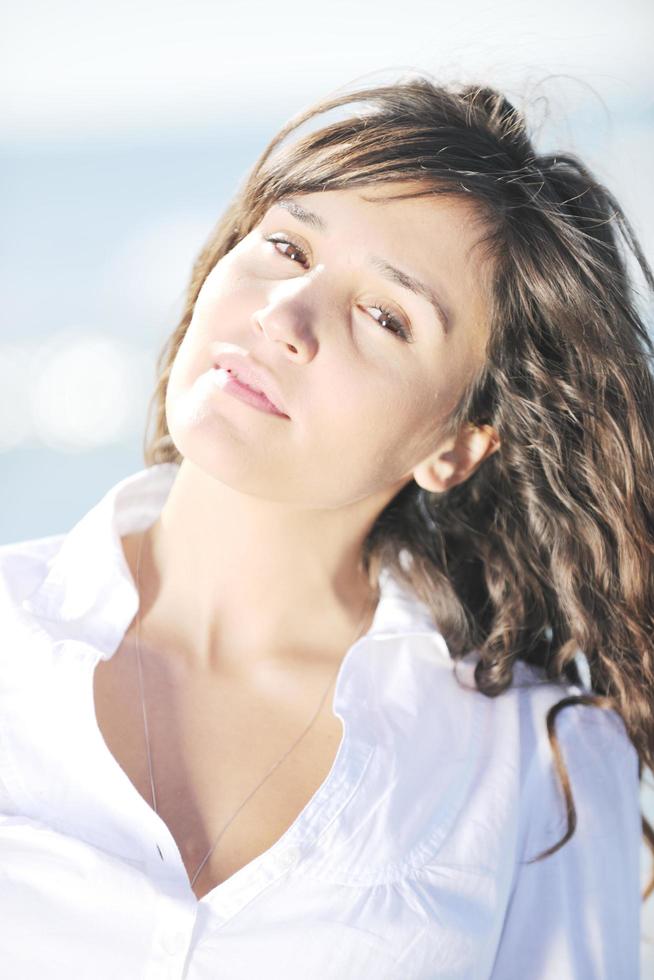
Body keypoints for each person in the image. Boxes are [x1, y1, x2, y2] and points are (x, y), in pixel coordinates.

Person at [0, 73, 652, 979]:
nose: (283, 317)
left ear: (458, 447)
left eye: (385, 317)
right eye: (285, 247)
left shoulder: (541, 771)